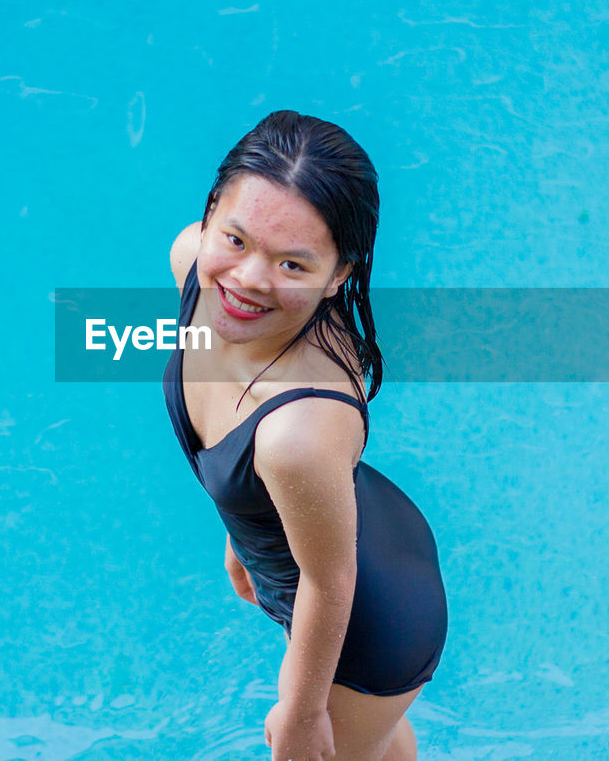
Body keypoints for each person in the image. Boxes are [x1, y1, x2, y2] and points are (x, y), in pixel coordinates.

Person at [162, 110, 447, 760]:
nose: (249, 279)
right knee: (376, 746)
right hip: (344, 527)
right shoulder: (190, 261)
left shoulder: (298, 432)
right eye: (235, 239)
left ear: (338, 275)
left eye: (293, 263)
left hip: (367, 626)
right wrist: (243, 535)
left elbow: (328, 579)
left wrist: (300, 709)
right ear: (210, 213)